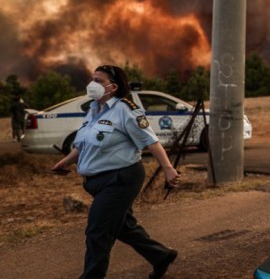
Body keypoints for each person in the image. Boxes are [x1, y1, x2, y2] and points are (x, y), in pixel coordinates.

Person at [50, 65, 180, 279]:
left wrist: (168, 169)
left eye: (99, 80)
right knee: (123, 227)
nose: (93, 84)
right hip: (96, 182)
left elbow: (151, 141)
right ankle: (161, 256)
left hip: (121, 179)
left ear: (113, 86)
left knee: (97, 232)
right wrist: (65, 162)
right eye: (93, 79)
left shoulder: (126, 109)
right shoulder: (93, 109)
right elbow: (83, 144)